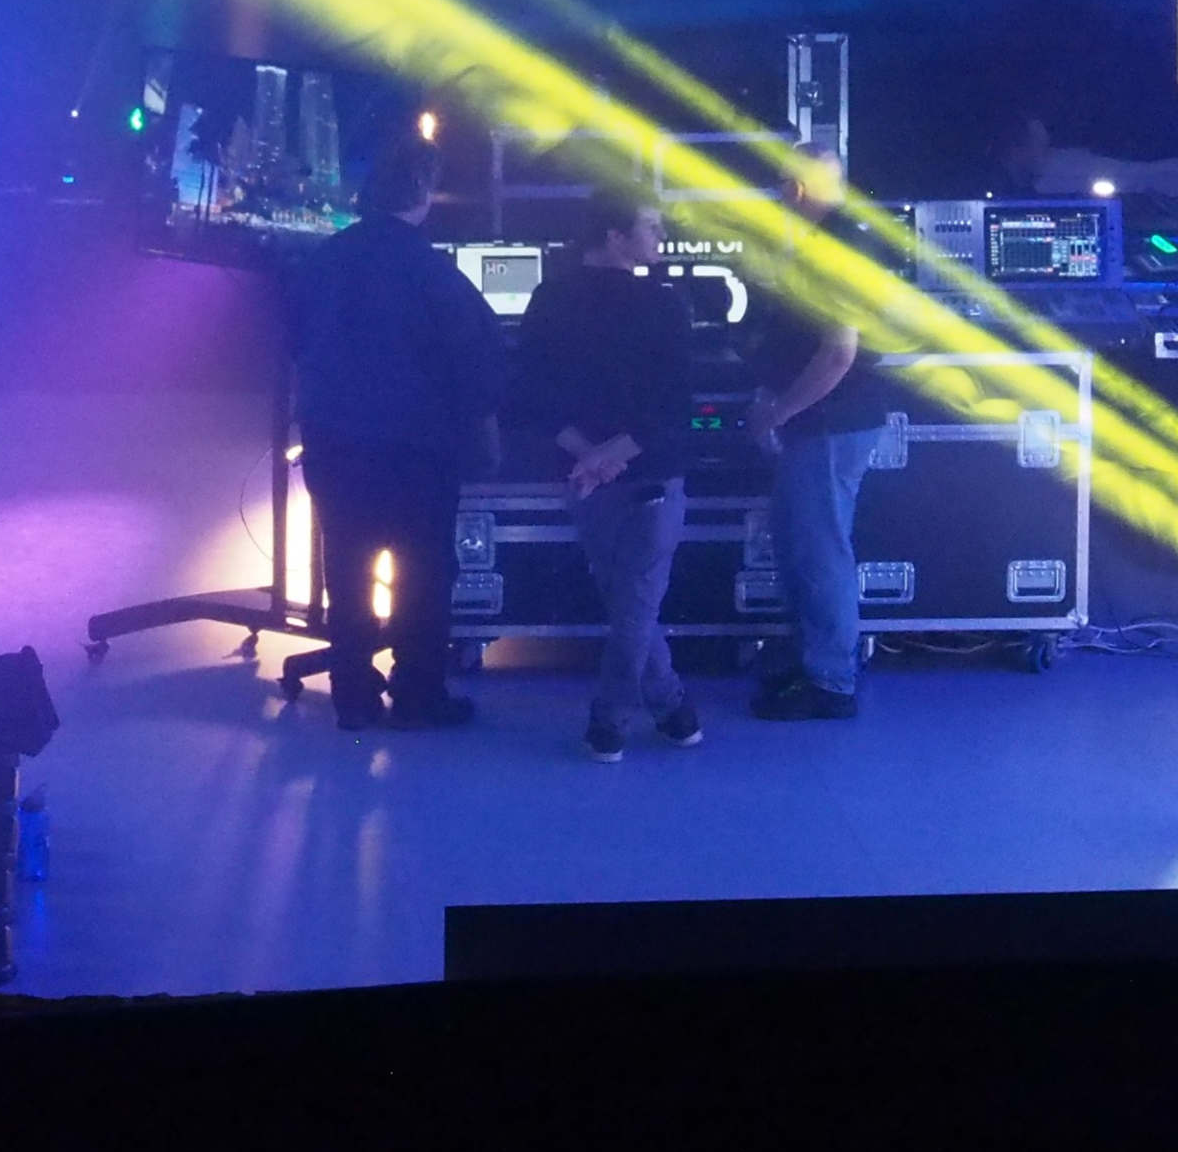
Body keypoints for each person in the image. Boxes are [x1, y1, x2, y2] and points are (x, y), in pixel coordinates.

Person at [292, 135, 502, 732]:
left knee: (348, 570)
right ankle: (418, 696)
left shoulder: (321, 261)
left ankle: (352, 696)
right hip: (414, 453)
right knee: (423, 574)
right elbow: (478, 361)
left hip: (335, 445)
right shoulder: (433, 271)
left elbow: (293, 341)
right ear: (423, 192)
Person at [510, 182, 704, 763]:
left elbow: (531, 396)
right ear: (616, 237)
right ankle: (611, 723)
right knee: (636, 603)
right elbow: (672, 406)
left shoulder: (549, 297)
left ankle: (671, 707)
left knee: (629, 602)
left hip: (582, 475)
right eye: (652, 227)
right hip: (648, 473)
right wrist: (614, 453)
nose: (661, 237)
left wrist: (588, 455)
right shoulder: (666, 306)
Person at [744, 154, 886, 722]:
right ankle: (811, 663)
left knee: (821, 552)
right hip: (822, 423)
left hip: (830, 424)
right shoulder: (822, 240)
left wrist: (779, 411)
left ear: (798, 186)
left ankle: (830, 682)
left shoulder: (836, 247)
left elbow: (838, 352)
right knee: (802, 548)